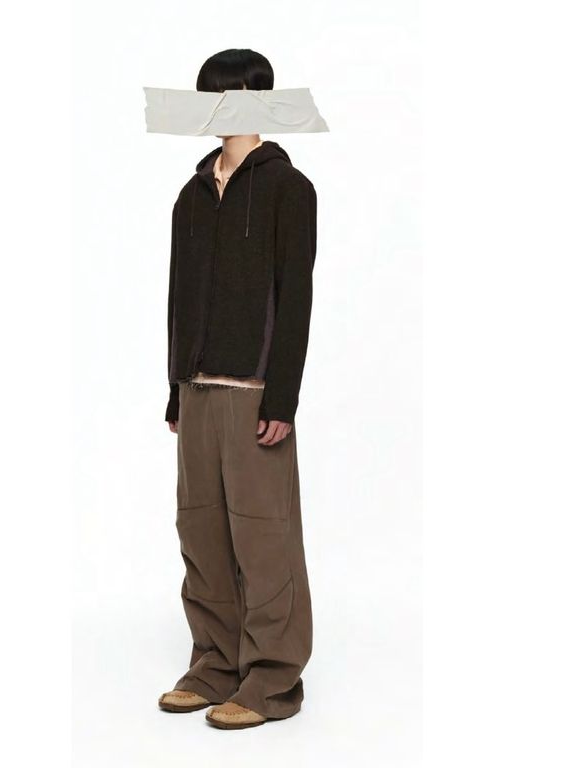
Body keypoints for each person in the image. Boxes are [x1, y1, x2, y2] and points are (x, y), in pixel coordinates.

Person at [157, 49, 317, 730]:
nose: (218, 108)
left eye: (231, 94)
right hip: (196, 390)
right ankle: (215, 664)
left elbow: (296, 296)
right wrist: (175, 388)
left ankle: (273, 680)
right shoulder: (190, 195)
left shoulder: (289, 188)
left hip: (254, 392)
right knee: (201, 532)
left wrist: (282, 398)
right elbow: (179, 296)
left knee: (264, 536)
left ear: (259, 100)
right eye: (209, 95)